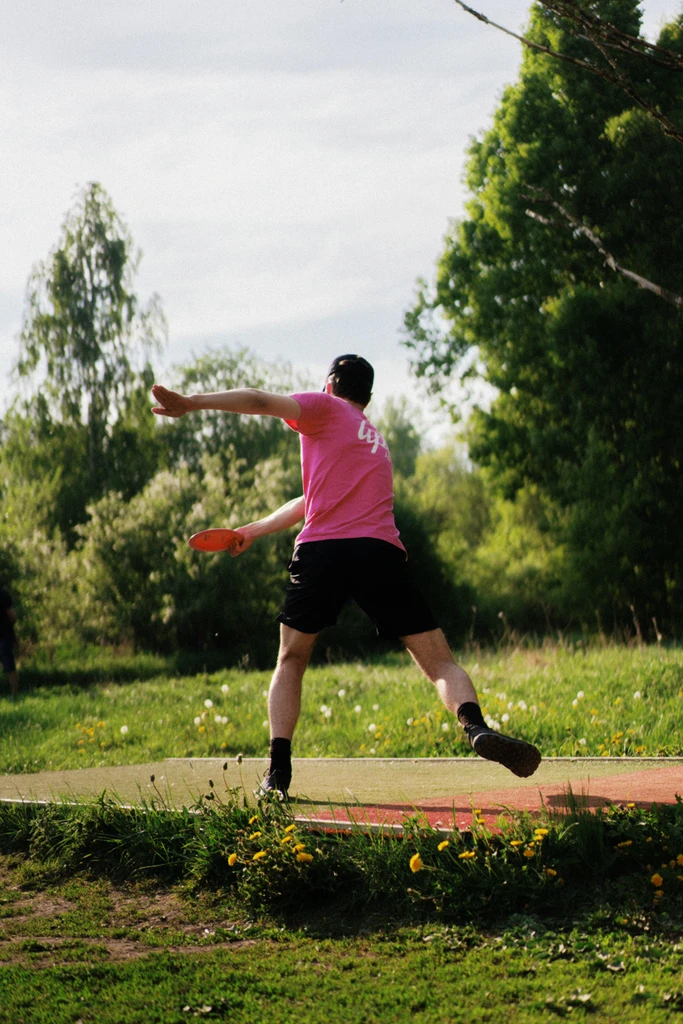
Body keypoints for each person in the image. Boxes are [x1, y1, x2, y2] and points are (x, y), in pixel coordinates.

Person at [151, 355, 541, 796]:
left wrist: (191, 402)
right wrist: (253, 530)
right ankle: (475, 727)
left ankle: (278, 772)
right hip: (380, 553)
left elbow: (259, 399)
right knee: (440, 662)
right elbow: (310, 499)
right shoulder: (374, 440)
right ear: (368, 398)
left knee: (292, 659)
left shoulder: (323, 407)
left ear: (330, 385)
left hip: (323, 553)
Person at [0, 586, 19, 697]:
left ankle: (14, 693)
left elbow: (12, 616)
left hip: (4, 636)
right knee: (9, 665)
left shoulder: (3, 594)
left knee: (9, 666)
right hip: (5, 635)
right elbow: (13, 617)